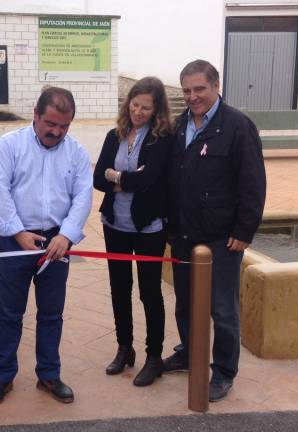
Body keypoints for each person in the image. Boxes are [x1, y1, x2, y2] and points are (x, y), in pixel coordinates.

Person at [0, 87, 92, 406]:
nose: (56, 132)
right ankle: (3, 376)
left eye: (64, 126)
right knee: (9, 313)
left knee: (52, 313)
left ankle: (49, 374)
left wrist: (66, 235)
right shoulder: (9, 145)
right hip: (15, 240)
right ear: (35, 114)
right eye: (51, 123)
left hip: (57, 244)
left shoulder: (77, 153)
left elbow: (83, 197)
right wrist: (18, 233)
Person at [165, 60, 266, 402]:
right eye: (187, 91)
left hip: (221, 238)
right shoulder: (179, 125)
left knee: (222, 310)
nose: (192, 96)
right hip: (184, 235)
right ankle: (189, 354)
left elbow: (253, 182)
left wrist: (245, 229)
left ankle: (223, 371)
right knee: (185, 304)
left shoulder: (238, 126)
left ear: (216, 86)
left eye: (199, 89)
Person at [93, 77, 175, 386]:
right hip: (115, 224)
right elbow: (97, 180)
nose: (138, 112)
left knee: (149, 292)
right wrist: (127, 178)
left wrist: (116, 176)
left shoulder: (161, 139)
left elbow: (149, 179)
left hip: (148, 227)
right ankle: (124, 347)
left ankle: (154, 357)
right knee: (119, 287)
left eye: (146, 108)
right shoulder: (114, 135)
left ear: (157, 110)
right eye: (135, 104)